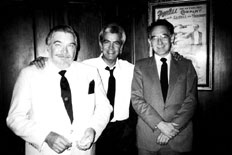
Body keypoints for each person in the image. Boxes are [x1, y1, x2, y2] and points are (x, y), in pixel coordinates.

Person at [6, 25, 112, 155]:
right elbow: (15, 118)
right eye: (58, 44)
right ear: (48, 47)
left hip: (83, 151)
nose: (65, 52)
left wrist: (94, 129)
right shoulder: (29, 74)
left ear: (76, 48)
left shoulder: (90, 72)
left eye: (70, 45)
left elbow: (104, 107)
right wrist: (46, 136)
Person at [131, 19, 198, 155]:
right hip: (148, 136)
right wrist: (160, 124)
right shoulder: (140, 66)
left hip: (178, 136)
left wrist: (172, 129)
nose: (159, 42)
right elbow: (136, 99)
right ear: (149, 41)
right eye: (154, 38)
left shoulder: (186, 66)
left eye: (164, 36)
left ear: (172, 38)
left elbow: (191, 100)